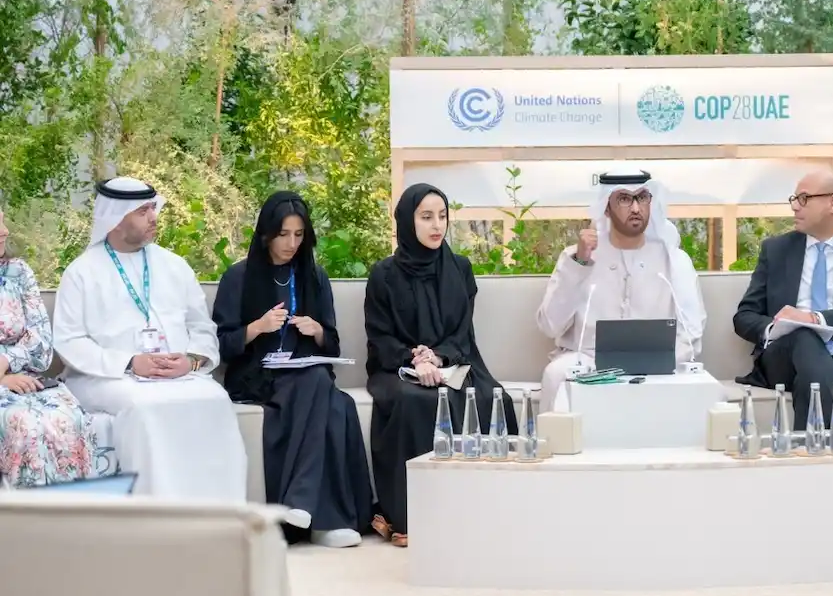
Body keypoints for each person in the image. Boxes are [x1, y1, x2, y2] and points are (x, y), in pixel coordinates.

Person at [52, 178, 246, 500]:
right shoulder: (81, 272)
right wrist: (129, 362)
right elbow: (70, 341)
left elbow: (202, 328)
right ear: (115, 217)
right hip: (104, 376)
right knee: (145, 407)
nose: (153, 217)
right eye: (143, 211)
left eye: (153, 208)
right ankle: (158, 521)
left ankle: (220, 516)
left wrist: (192, 361)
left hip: (177, 374)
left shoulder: (174, 266)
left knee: (214, 398)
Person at [213, 191, 373, 547]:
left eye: (299, 235)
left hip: (305, 372)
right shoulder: (238, 277)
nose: (291, 243)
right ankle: (325, 519)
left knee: (334, 401)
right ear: (267, 233)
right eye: (283, 234)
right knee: (331, 400)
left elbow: (332, 344)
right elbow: (221, 345)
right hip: (257, 375)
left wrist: (317, 331)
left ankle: (308, 513)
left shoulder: (314, 276)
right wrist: (257, 327)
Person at [364, 183, 517, 547]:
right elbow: (380, 337)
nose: (437, 225)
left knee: (493, 399)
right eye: (426, 217)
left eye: (442, 216)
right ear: (406, 221)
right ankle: (412, 517)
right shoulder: (383, 275)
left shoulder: (460, 269)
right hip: (397, 369)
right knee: (417, 401)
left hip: (455, 361)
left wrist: (438, 356)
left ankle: (489, 511)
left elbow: (463, 333)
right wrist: (414, 359)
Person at [732, 170, 833, 466]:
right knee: (801, 335)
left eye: (803, 198)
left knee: (811, 381)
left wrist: (814, 317)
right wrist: (777, 327)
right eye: (794, 198)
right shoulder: (776, 250)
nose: (794, 205)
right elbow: (744, 316)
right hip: (781, 356)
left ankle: (807, 483)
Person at [535, 170, 706, 409]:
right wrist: (580, 264)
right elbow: (550, 325)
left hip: (656, 362)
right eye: (624, 199)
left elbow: (692, 332)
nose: (636, 208)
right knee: (556, 374)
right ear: (606, 207)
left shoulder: (674, 260)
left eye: (642, 198)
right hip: (588, 361)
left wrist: (658, 361)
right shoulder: (577, 257)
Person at [0, 205, 100, 488]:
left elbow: (42, 346)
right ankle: (26, 527)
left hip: (24, 378)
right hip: (8, 385)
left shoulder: (18, 272)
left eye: (3, 221)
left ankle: (73, 523)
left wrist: (6, 361)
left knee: (66, 419)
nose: (5, 231)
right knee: (23, 426)